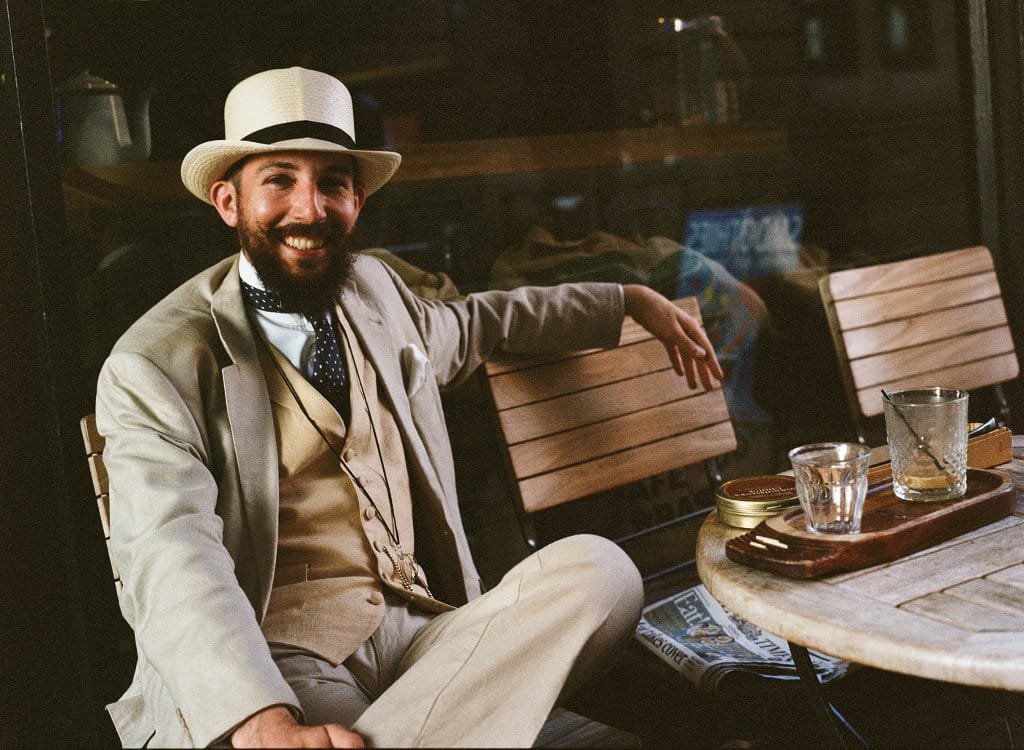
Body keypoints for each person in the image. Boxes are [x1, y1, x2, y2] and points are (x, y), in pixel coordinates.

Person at [95, 66, 724, 748]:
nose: (310, 209)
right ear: (228, 200)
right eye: (279, 180)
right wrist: (260, 720)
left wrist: (625, 300)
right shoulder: (157, 361)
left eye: (332, 183)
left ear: (357, 199)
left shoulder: (375, 290)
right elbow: (169, 552)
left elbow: (480, 322)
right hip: (282, 661)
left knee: (603, 572)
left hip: (427, 632)